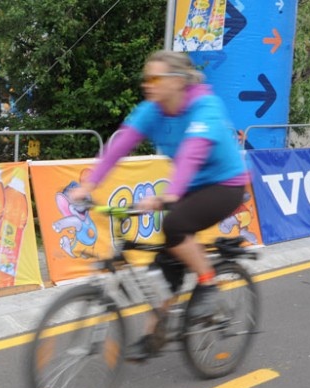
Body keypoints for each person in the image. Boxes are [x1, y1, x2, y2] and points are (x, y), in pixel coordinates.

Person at [70, 50, 249, 360]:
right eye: (146, 78)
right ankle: (156, 333)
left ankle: (208, 283)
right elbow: (119, 146)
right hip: (189, 187)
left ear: (177, 81)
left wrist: (169, 194)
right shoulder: (152, 111)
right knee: (165, 260)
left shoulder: (205, 106)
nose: (146, 84)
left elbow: (193, 152)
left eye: (154, 78)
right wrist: (88, 185)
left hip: (225, 185)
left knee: (175, 225)